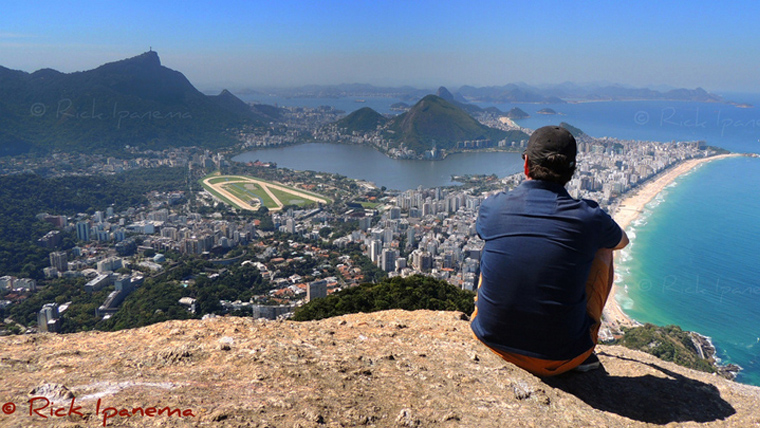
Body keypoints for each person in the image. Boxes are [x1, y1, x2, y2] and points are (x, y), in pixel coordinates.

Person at [470, 125, 629, 376]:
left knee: (497, 239)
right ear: (572, 171)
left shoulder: (493, 205)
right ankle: (587, 342)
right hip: (561, 358)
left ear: (526, 164)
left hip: (491, 341)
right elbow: (622, 242)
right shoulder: (588, 217)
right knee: (604, 248)